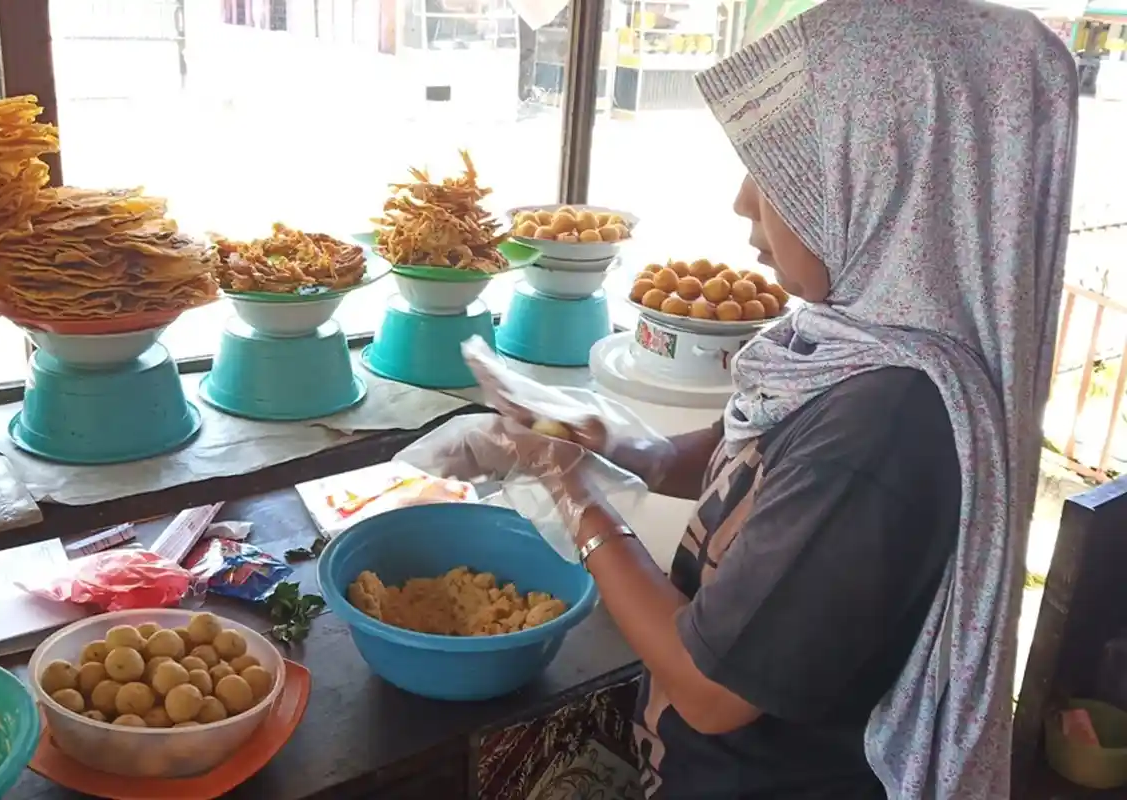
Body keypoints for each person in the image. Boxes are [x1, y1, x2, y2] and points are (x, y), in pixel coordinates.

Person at [408, 0, 1078, 796]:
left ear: (889, 182)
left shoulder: (888, 424)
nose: (741, 202)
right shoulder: (859, 344)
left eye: (780, 172)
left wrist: (572, 492)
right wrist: (625, 445)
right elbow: (759, 459)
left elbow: (712, 690)